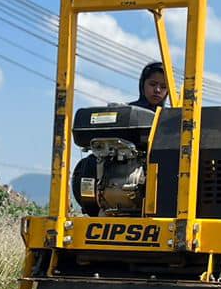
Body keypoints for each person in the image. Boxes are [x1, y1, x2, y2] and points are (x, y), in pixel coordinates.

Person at [72, 62, 170, 213]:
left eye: (163, 87)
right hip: (117, 177)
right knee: (91, 164)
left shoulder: (171, 119)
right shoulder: (128, 111)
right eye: (153, 84)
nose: (157, 90)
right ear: (142, 85)